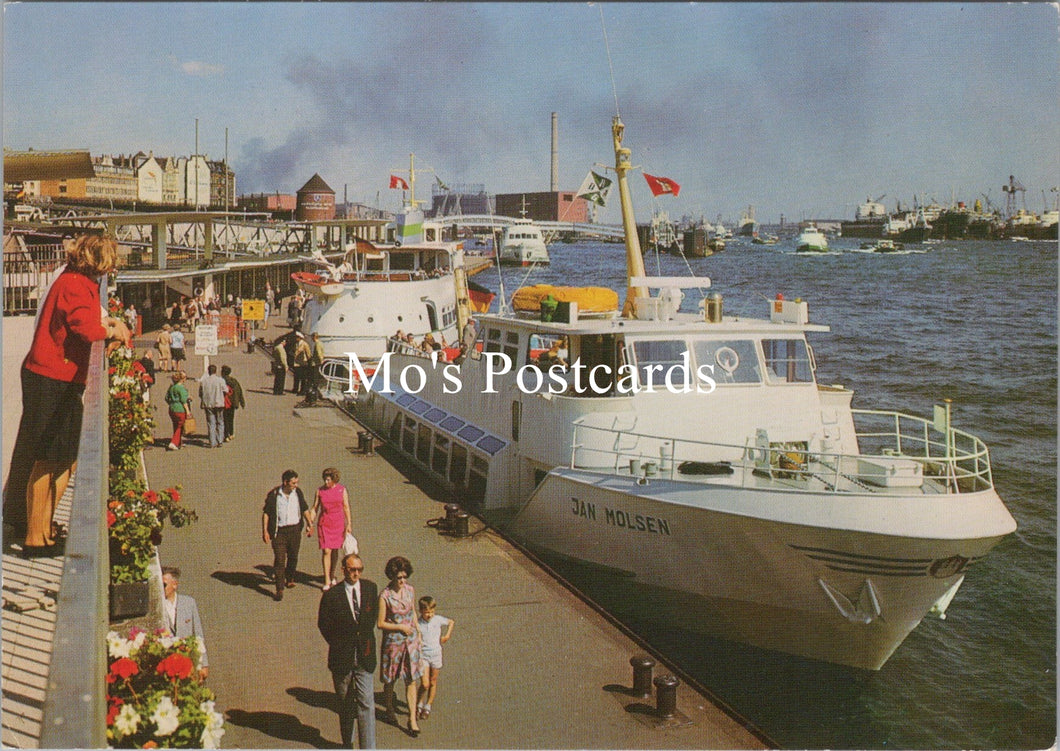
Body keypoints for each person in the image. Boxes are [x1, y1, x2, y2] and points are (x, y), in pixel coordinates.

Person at [4, 234, 131, 550]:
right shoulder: (75, 285)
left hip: (55, 378)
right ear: (99, 262)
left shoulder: (73, 280)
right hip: (52, 380)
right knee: (49, 458)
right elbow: (86, 328)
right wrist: (113, 328)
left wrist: (110, 322)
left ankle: (42, 526)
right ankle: (35, 536)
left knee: (64, 457)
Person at [318, 554, 378, 749]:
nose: (356, 574)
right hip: (342, 658)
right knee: (345, 704)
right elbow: (323, 624)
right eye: (352, 570)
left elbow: (372, 618)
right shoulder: (331, 595)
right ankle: (348, 742)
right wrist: (338, 643)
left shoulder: (370, 589)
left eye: (359, 570)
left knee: (366, 703)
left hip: (364, 656)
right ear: (343, 570)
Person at [377, 556, 423, 737]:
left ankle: (412, 719)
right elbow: (380, 623)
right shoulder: (385, 596)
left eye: (404, 577)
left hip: (410, 642)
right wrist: (399, 627)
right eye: (399, 578)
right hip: (393, 643)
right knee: (391, 679)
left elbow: (412, 613)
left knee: (411, 679)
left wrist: (418, 632)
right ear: (392, 576)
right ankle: (389, 708)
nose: (402, 581)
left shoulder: (410, 590)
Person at [262, 469, 311, 601]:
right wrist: (265, 531)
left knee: (293, 556)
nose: (296, 485)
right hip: (280, 533)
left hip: (295, 530)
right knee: (279, 560)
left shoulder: (298, 493)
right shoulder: (274, 495)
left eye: (297, 482)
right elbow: (266, 513)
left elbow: (305, 508)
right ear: (285, 482)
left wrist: (309, 523)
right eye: (293, 483)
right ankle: (279, 589)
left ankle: (289, 578)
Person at [307, 467, 352, 591]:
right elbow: (314, 508)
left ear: (334, 480)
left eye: (328, 480)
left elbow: (346, 507)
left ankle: (332, 574)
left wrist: (349, 524)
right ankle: (327, 580)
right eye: (325, 480)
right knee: (326, 551)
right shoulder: (320, 491)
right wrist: (310, 522)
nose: (326, 482)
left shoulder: (341, 490)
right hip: (324, 524)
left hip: (338, 523)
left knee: (335, 550)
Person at [161, 566, 209, 680]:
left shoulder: (189, 603)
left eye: (164, 585)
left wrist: (204, 664)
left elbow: (198, 635)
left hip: (188, 663)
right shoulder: (158, 608)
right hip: (168, 665)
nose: (161, 589)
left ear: (175, 585)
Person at [415, 596, 454, 721]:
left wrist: (447, 635)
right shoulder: (418, 623)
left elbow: (451, 622)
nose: (429, 615)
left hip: (436, 654)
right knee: (424, 683)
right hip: (424, 656)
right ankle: (419, 702)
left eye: (431, 611)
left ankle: (428, 705)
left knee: (433, 681)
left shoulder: (437, 620)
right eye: (426, 612)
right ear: (421, 611)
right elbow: (415, 634)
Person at [198, 364, 228, 448]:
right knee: (220, 422)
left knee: (211, 423)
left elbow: (200, 393)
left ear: (208, 371)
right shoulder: (220, 380)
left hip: (208, 404)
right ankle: (220, 440)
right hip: (219, 403)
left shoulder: (204, 381)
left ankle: (212, 442)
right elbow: (226, 390)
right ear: (216, 371)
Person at [164, 371, 192, 450]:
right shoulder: (181, 388)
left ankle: (178, 442)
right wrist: (188, 411)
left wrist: (171, 403)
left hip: (172, 408)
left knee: (175, 425)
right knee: (180, 426)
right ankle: (173, 442)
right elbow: (184, 401)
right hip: (180, 409)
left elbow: (166, 398)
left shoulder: (171, 387)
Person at [220, 365, 245, 442]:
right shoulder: (234, 381)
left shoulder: (221, 381)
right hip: (233, 403)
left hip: (224, 403)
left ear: (222, 373)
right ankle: (231, 433)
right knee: (231, 419)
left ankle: (226, 435)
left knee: (225, 419)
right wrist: (242, 402)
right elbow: (239, 391)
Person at [292, 331, 312, 396]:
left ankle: (302, 390)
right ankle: (295, 389)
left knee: (303, 378)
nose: (295, 338)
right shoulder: (296, 344)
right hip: (297, 363)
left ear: (300, 338)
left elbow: (308, 354)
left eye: (297, 337)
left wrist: (309, 362)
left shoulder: (304, 344)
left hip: (303, 363)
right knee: (296, 377)